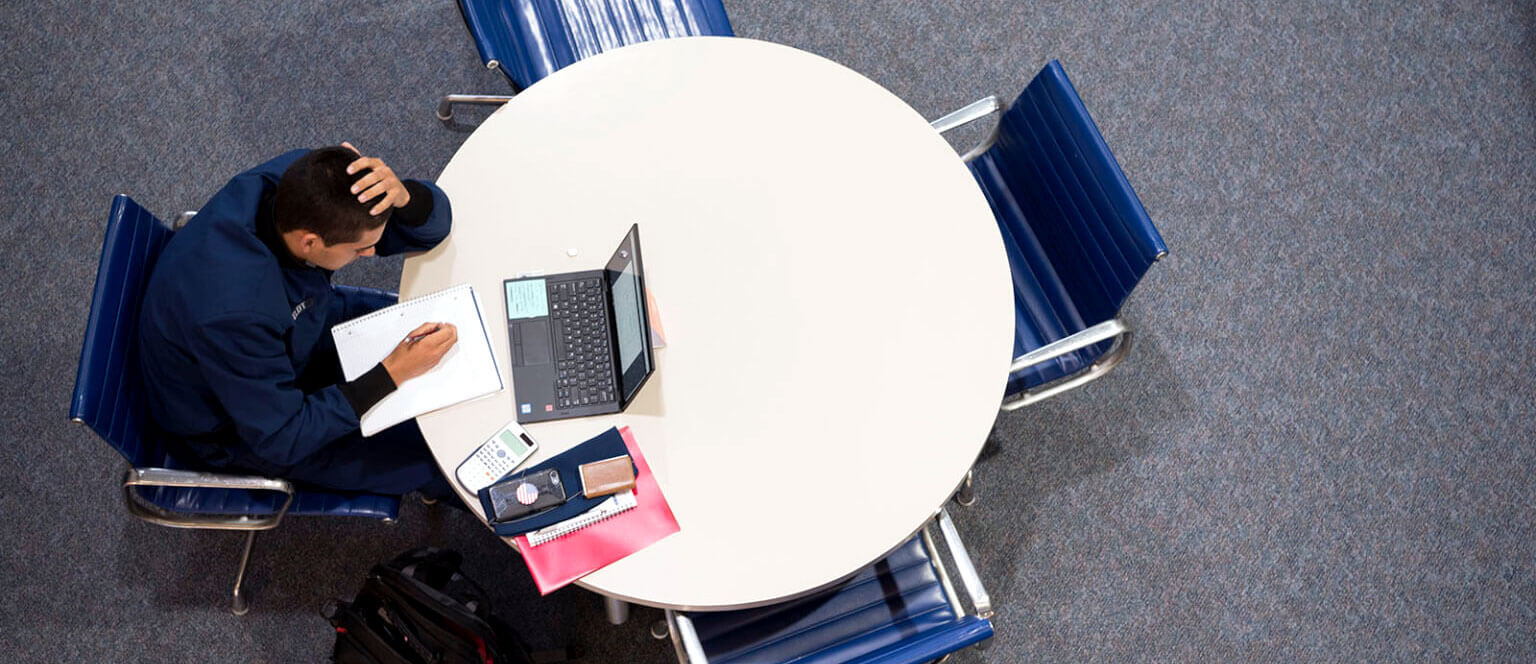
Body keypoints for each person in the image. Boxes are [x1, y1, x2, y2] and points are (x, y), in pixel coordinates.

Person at [138, 144, 461, 500]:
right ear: (310, 243)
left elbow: (433, 228)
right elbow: (283, 436)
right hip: (242, 424)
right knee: (443, 458)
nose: (370, 254)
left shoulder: (304, 182)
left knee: (434, 323)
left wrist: (403, 196)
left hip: (301, 325)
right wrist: (391, 373)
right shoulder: (236, 314)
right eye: (359, 250)